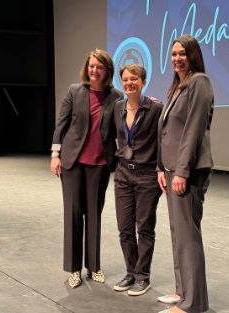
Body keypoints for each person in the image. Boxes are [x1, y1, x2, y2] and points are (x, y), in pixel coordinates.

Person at [50, 49, 123, 288]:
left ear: (107, 71)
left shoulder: (116, 97)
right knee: (73, 214)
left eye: (99, 67)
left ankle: (93, 266)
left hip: (100, 164)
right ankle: (74, 269)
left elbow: (121, 128)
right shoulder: (75, 91)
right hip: (72, 162)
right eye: (91, 66)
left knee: (94, 215)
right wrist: (55, 153)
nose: (94, 70)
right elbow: (61, 124)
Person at [156, 34, 215, 313]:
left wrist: (181, 171)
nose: (177, 58)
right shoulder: (177, 87)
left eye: (183, 53)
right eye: (173, 54)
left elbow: (193, 130)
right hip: (170, 170)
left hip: (187, 172)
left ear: (193, 55)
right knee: (177, 232)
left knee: (188, 235)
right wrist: (160, 167)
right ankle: (182, 291)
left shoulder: (199, 82)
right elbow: (166, 132)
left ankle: (193, 303)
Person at [111, 65, 163, 297]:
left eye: (134, 79)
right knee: (124, 229)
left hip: (146, 175)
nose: (129, 83)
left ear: (143, 82)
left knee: (145, 228)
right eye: (125, 79)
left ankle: (143, 276)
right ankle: (131, 271)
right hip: (123, 174)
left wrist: (161, 169)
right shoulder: (117, 108)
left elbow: (164, 141)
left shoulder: (156, 108)